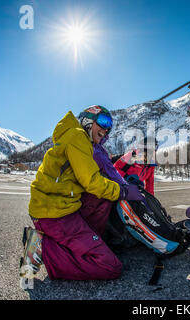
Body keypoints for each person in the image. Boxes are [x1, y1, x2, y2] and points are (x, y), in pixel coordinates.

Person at [20, 105, 143, 280]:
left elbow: (93, 179)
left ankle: (89, 244)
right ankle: (40, 247)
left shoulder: (79, 139)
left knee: (103, 199)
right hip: (54, 214)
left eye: (109, 126)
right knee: (110, 267)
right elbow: (91, 181)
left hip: (61, 206)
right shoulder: (78, 136)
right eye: (103, 121)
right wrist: (122, 192)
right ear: (87, 119)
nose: (106, 128)